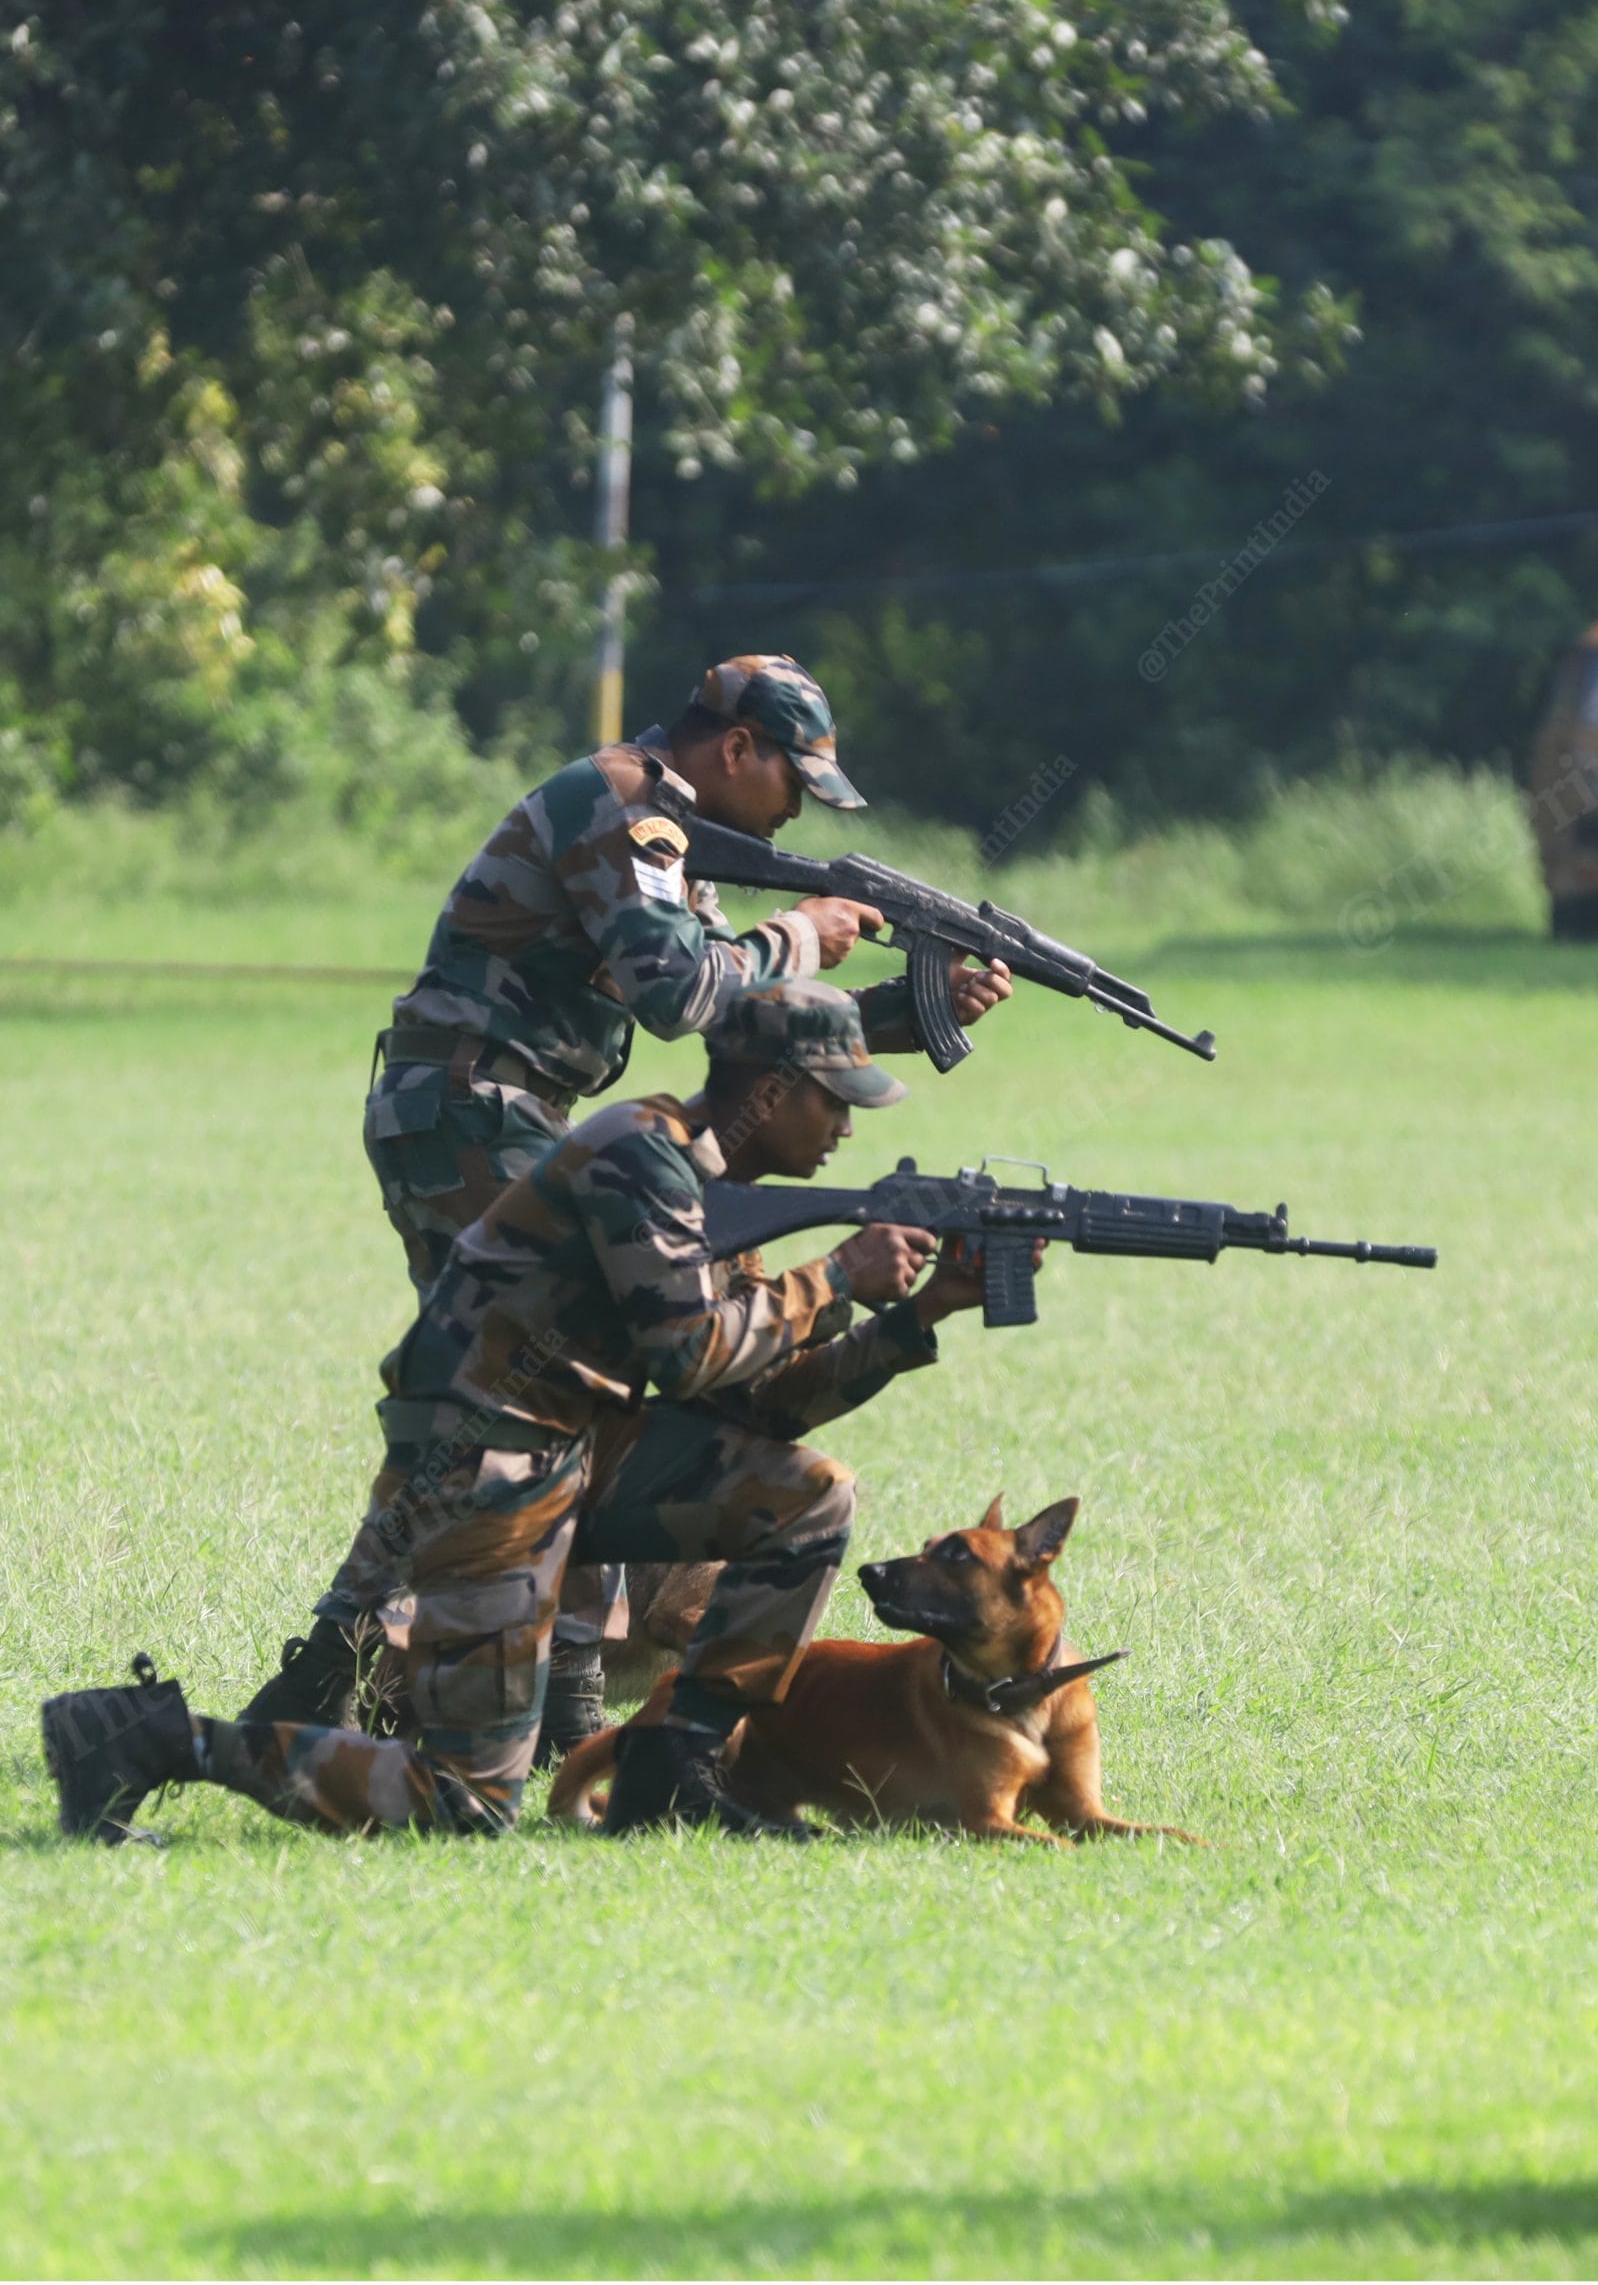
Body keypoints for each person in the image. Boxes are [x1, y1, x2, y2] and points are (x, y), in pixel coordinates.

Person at [240, 653, 1009, 1752]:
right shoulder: (627, 804)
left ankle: (505, 1689)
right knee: (523, 1398)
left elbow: (750, 1036)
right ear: (737, 748)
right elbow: (680, 993)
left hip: (506, 1109)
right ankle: (385, 1680)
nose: (795, 813)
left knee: (559, 1394)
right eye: (794, 783)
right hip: (473, 1110)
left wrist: (903, 1007)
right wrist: (806, 931)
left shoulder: (675, 835)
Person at [45, 985, 1007, 1844]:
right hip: (483, 1463)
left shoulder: (723, 1199)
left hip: (573, 1452)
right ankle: (148, 1738)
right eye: (833, 1099)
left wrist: (918, 1315)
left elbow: (761, 1401)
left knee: (808, 1499)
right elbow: (687, 1352)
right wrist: (837, 1274)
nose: (846, 1126)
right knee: (469, 1801)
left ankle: (674, 1770)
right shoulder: (639, 1154)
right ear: (771, 1087)